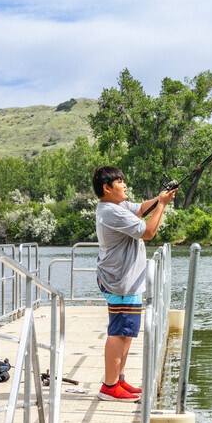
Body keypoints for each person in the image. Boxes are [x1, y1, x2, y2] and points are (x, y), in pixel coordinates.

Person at [92, 165, 177, 401]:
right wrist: (162, 206)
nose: (125, 184)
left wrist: (161, 197)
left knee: (126, 332)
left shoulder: (117, 206)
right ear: (107, 188)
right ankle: (109, 387)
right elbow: (148, 232)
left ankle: (118, 380)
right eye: (120, 182)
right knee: (118, 332)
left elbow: (141, 209)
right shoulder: (111, 211)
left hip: (125, 280)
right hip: (120, 280)